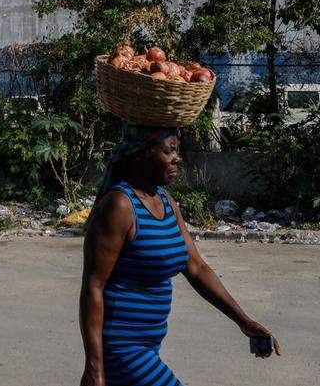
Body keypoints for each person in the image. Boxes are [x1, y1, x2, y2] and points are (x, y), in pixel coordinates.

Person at [79, 125, 279, 386]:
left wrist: (244, 321)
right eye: (168, 151)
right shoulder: (120, 206)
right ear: (141, 155)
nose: (178, 158)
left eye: (177, 150)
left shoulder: (165, 200)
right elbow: (93, 287)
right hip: (121, 349)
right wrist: (94, 368)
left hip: (149, 346)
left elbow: (196, 267)